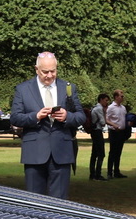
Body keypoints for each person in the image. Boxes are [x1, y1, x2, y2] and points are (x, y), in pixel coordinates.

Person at [9, 51, 85, 199]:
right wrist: (36, 116)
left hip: (61, 152)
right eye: (45, 72)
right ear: (36, 69)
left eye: (53, 71)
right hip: (34, 153)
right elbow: (15, 118)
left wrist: (67, 116)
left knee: (60, 202)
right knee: (34, 202)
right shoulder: (23, 89)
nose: (49, 75)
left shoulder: (68, 88)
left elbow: (81, 116)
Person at [105, 89, 129, 178]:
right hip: (114, 132)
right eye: (121, 96)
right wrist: (114, 125)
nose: (123, 97)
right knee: (112, 152)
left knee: (119, 152)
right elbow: (106, 119)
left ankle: (116, 172)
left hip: (121, 132)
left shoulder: (123, 108)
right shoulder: (111, 107)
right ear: (116, 97)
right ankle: (109, 173)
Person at [88, 93, 109, 180]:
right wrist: (104, 112)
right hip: (97, 131)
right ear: (101, 99)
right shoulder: (99, 108)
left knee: (94, 154)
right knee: (101, 154)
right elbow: (103, 122)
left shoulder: (94, 107)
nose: (107, 102)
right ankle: (98, 174)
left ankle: (92, 174)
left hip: (94, 131)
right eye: (106, 100)